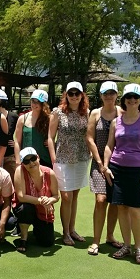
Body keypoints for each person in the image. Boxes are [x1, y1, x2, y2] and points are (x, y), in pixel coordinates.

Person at [103, 83, 140, 265]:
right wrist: (105, 166)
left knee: (135, 209)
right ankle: (126, 245)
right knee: (121, 208)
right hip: (117, 169)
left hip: (137, 171)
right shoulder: (116, 122)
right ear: (124, 100)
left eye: (136, 97)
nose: (132, 100)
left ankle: (138, 247)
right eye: (128, 97)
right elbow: (110, 146)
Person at [48, 81, 91, 246]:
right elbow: (50, 137)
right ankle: (65, 232)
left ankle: (72, 229)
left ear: (82, 95)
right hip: (62, 159)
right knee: (66, 196)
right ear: (66, 95)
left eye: (77, 93)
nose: (74, 96)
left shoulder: (86, 112)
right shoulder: (58, 112)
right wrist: (53, 158)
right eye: (70, 93)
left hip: (81, 158)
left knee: (75, 195)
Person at [86, 81, 123, 255]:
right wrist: (100, 162)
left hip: (117, 163)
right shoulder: (95, 113)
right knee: (101, 201)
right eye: (105, 93)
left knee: (115, 201)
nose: (109, 96)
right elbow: (89, 138)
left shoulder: (122, 113)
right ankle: (95, 241)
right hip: (99, 163)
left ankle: (110, 236)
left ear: (117, 95)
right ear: (100, 96)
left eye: (112, 93)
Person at [13, 147, 59, 252]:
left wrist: (49, 201)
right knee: (25, 209)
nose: (31, 163)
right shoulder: (19, 171)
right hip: (26, 207)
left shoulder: (49, 173)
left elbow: (56, 196)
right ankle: (23, 238)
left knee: (47, 242)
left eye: (33, 158)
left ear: (38, 157)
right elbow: (21, 196)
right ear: (22, 163)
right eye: (26, 161)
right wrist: (42, 201)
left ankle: (37, 228)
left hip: (43, 211)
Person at [14, 89, 52, 168]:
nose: (34, 104)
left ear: (44, 104)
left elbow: (57, 137)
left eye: (38, 101)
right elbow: (17, 141)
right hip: (26, 160)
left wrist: (52, 143)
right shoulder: (22, 118)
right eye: (33, 101)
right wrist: (18, 160)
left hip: (45, 160)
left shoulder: (50, 119)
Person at [0, 88, 19, 181]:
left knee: (12, 180)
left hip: (9, 154)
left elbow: (20, 134)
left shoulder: (13, 116)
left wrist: (17, 144)